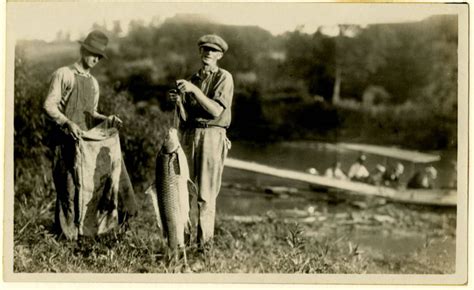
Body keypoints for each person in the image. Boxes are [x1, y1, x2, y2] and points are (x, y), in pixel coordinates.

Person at [43, 30, 136, 240]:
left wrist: (107, 119)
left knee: (86, 189)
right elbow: (49, 105)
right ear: (82, 50)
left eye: (99, 56)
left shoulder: (93, 83)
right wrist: (67, 123)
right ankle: (66, 239)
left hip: (85, 144)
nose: (95, 59)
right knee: (67, 190)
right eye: (92, 54)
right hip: (64, 140)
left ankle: (84, 236)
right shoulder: (64, 74)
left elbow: (91, 113)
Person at [169, 34, 233, 250]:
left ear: (220, 55)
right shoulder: (193, 79)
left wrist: (193, 91)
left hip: (212, 136)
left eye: (213, 50)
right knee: (184, 191)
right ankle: (182, 246)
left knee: (205, 195)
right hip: (190, 135)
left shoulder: (224, 77)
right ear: (200, 52)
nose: (208, 53)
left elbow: (215, 110)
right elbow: (186, 119)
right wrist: (178, 102)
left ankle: (204, 250)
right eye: (205, 49)